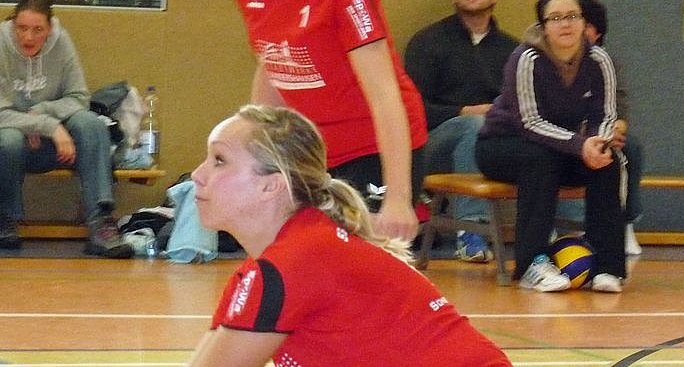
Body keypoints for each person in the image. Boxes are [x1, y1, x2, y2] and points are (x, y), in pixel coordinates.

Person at [188, 104, 512, 366]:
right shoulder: (271, 264)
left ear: (271, 185)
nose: (197, 175)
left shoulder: (296, 261)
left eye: (219, 160)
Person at [227, 0, 427, 242]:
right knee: (297, 256)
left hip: (372, 147)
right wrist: (254, 150)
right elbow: (274, 60)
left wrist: (398, 198)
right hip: (311, 148)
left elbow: (385, 94)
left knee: (363, 266)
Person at [475, 0, 627, 293]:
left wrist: (598, 143)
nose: (565, 24)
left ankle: (608, 267)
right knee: (540, 159)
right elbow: (530, 122)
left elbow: (607, 114)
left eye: (572, 16)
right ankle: (532, 265)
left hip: (562, 147)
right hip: (502, 145)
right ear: (543, 27)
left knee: (609, 162)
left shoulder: (599, 59)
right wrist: (579, 145)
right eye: (555, 18)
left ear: (584, 23)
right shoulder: (526, 58)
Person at [0, 0, 133, 258]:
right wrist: (47, 125)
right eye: (22, 28)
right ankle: (5, 219)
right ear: (13, 25)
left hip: (60, 148)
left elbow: (79, 98)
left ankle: (100, 223)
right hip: (13, 146)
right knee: (9, 139)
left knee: (91, 124)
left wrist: (45, 112)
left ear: (50, 29)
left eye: (38, 30)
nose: (28, 37)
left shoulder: (61, 42)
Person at [405, 0, 518, 262]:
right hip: (433, 146)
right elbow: (412, 111)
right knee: (473, 125)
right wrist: (465, 111)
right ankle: (471, 231)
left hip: (496, 140)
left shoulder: (513, 50)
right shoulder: (428, 42)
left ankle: (560, 235)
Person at [555, 0, 644, 255]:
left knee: (629, 147)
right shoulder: (544, 59)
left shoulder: (604, 63)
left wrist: (614, 130)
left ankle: (623, 223)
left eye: (581, 22)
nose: (573, 28)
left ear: (596, 33)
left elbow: (618, 107)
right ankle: (561, 226)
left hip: (596, 131)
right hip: (560, 134)